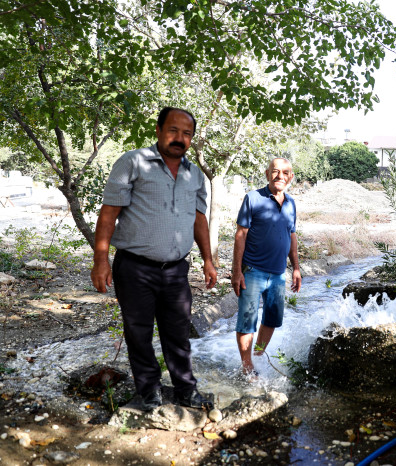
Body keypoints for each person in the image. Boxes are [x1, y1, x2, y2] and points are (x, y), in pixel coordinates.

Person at [91, 107, 217, 411]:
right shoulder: (132, 162)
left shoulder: (195, 174)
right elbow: (109, 214)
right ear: (159, 130)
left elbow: (199, 219)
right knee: (139, 333)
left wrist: (208, 260)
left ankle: (186, 390)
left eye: (186, 133)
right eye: (173, 130)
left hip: (176, 271)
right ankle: (148, 392)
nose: (179, 138)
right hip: (135, 268)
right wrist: (101, 260)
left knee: (178, 333)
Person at [232, 157, 301, 375]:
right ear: (267, 174)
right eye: (275, 171)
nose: (280, 176)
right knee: (247, 320)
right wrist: (236, 271)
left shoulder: (291, 203)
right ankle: (246, 366)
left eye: (285, 172)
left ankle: (258, 357)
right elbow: (240, 235)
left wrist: (296, 268)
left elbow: (292, 235)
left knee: (271, 319)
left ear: (290, 177)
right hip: (253, 270)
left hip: (279, 274)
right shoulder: (253, 198)